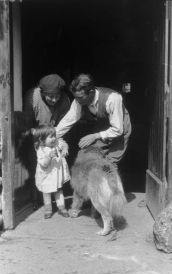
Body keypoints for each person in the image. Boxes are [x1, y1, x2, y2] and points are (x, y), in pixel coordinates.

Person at [56, 73, 132, 166]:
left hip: (120, 129)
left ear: (91, 92)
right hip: (103, 126)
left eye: (79, 97)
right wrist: (51, 135)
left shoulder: (112, 98)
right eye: (75, 97)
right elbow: (68, 120)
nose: (77, 101)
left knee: (110, 164)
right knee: (90, 157)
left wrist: (95, 136)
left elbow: (118, 129)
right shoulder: (78, 100)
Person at [20, 74, 71, 209]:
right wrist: (39, 139)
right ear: (42, 93)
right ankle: (36, 199)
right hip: (36, 136)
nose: (54, 100)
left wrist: (59, 143)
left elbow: (64, 125)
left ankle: (58, 198)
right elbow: (27, 122)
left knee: (56, 166)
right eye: (50, 96)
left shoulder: (65, 101)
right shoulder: (33, 96)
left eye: (57, 96)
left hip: (55, 136)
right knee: (36, 166)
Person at [32, 125, 70, 219]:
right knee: (46, 192)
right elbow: (43, 164)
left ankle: (61, 207)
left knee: (58, 189)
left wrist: (65, 149)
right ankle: (48, 209)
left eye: (54, 135)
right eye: (51, 137)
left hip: (56, 173)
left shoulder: (56, 142)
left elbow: (64, 144)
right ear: (41, 139)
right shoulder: (41, 150)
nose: (54, 138)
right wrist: (49, 156)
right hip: (46, 175)